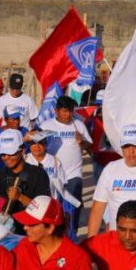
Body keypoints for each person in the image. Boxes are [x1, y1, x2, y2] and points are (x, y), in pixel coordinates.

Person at [39, 96, 93, 230]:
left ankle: (72, 232)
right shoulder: (46, 126)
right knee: (53, 206)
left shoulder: (78, 125)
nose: (68, 114)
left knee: (73, 204)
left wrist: (82, 142)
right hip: (52, 174)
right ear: (56, 111)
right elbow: (36, 147)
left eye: (70, 111)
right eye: (64, 111)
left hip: (74, 174)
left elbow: (90, 148)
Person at [0, 128, 52, 236]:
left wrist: (20, 197)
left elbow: (43, 209)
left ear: (23, 151)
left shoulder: (38, 174)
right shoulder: (0, 175)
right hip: (8, 233)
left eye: (11, 153)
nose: (7, 158)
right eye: (3, 154)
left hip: (33, 232)